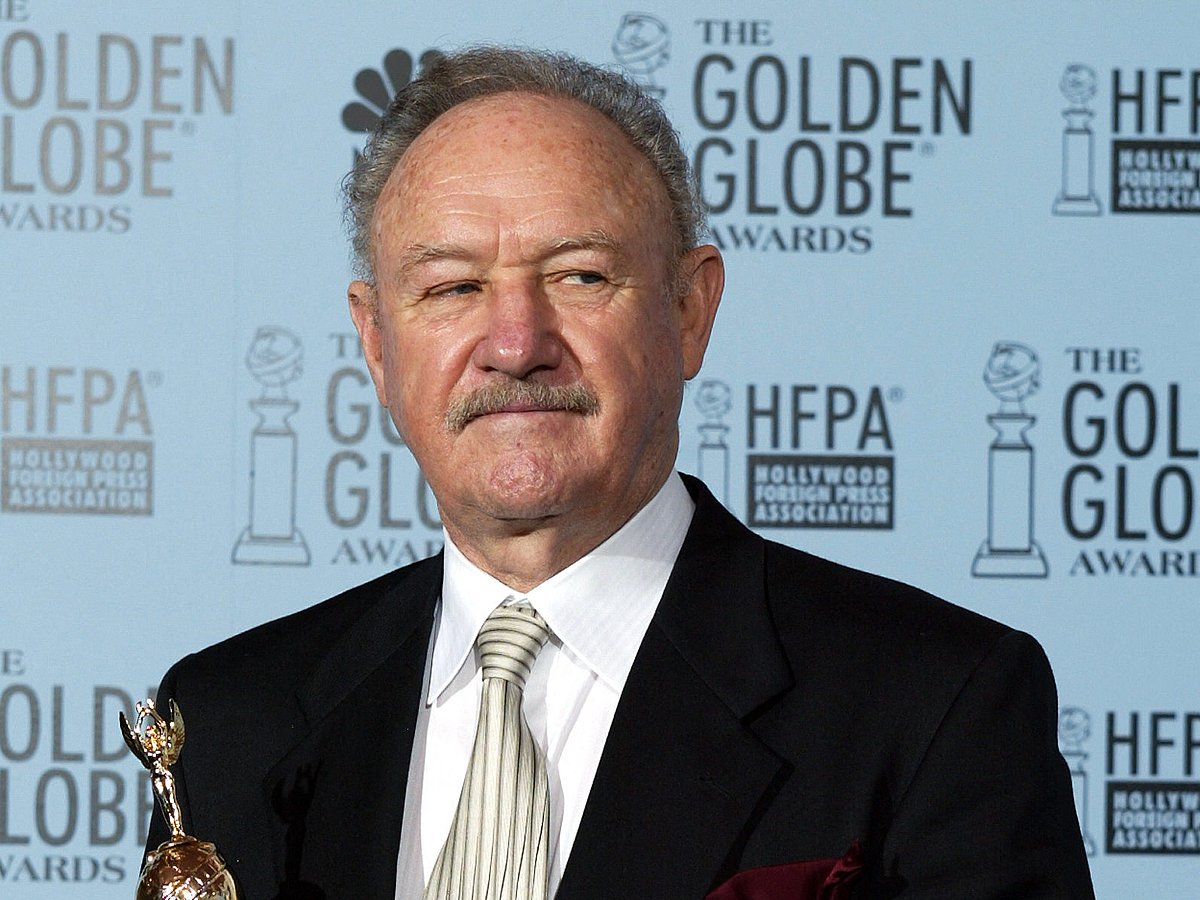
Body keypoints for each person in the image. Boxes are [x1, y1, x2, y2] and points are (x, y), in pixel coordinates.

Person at [147, 46, 1095, 899]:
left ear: (690, 310)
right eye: (451, 288)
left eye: (580, 276)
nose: (515, 345)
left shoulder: (934, 707)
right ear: (376, 342)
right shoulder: (228, 723)